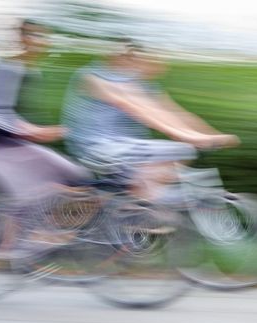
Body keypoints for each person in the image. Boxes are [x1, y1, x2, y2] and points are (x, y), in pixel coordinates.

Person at [0, 19, 90, 245]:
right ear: (20, 40)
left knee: (77, 175)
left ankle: (39, 232)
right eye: (34, 38)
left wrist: (43, 131)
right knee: (28, 195)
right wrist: (36, 132)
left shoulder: (29, 73)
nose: (40, 44)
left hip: (12, 145)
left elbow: (15, 118)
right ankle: (19, 251)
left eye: (42, 38)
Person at [61, 40, 238, 204]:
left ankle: (135, 205)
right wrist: (189, 136)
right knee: (179, 151)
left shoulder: (141, 85)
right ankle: (139, 203)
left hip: (126, 147)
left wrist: (209, 134)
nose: (160, 66)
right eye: (152, 59)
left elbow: (174, 112)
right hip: (97, 147)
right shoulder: (95, 77)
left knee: (172, 163)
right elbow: (138, 108)